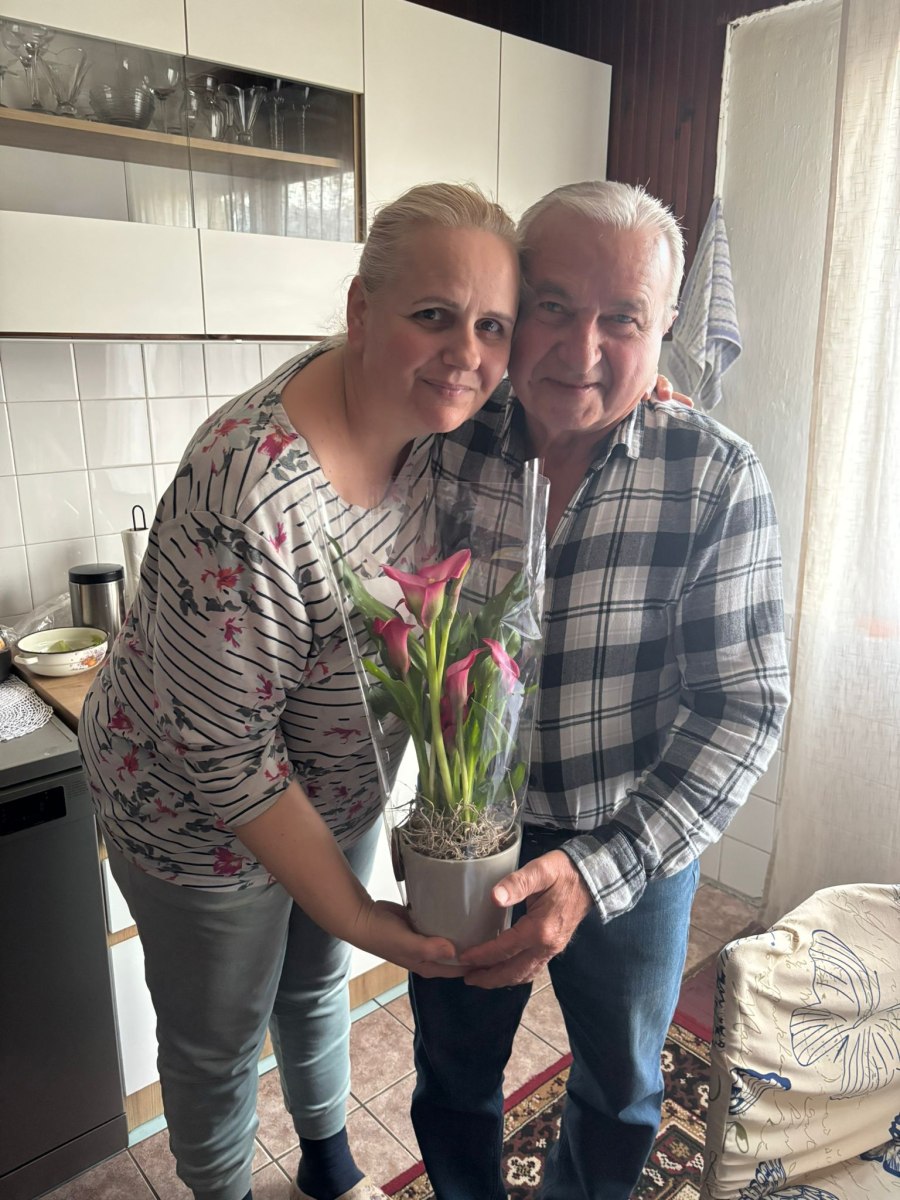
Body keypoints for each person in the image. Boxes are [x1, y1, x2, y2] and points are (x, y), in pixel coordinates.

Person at [78, 183, 524, 1200]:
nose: (467, 353)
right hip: (192, 811)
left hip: (332, 787)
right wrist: (366, 917)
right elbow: (230, 762)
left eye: (491, 325)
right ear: (362, 310)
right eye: (433, 315)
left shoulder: (452, 415)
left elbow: (565, 387)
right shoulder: (250, 492)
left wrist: (649, 394)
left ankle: (327, 1165)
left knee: (317, 982)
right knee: (221, 1039)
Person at [409, 181, 791, 1200]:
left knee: (621, 1088)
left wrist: (597, 870)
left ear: (664, 330)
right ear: (515, 304)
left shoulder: (716, 476)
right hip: (469, 834)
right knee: (452, 1073)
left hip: (636, 837)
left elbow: (745, 706)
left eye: (622, 318)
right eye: (554, 306)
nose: (582, 349)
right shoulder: (444, 437)